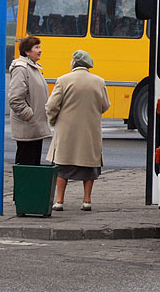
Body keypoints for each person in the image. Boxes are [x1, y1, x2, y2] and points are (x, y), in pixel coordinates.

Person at [46, 49, 111, 212]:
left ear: (74, 63)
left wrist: (53, 121)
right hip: (90, 131)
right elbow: (105, 105)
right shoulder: (99, 81)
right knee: (89, 166)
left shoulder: (63, 80)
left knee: (63, 165)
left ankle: (59, 200)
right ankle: (87, 200)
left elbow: (52, 106)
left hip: (66, 130)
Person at [7, 36, 51, 165]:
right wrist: (29, 115)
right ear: (27, 51)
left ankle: (30, 186)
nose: (40, 50)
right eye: (36, 47)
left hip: (34, 127)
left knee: (32, 164)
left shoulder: (33, 68)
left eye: (40, 47)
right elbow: (15, 98)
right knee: (26, 163)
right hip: (27, 127)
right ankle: (23, 186)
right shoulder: (21, 69)